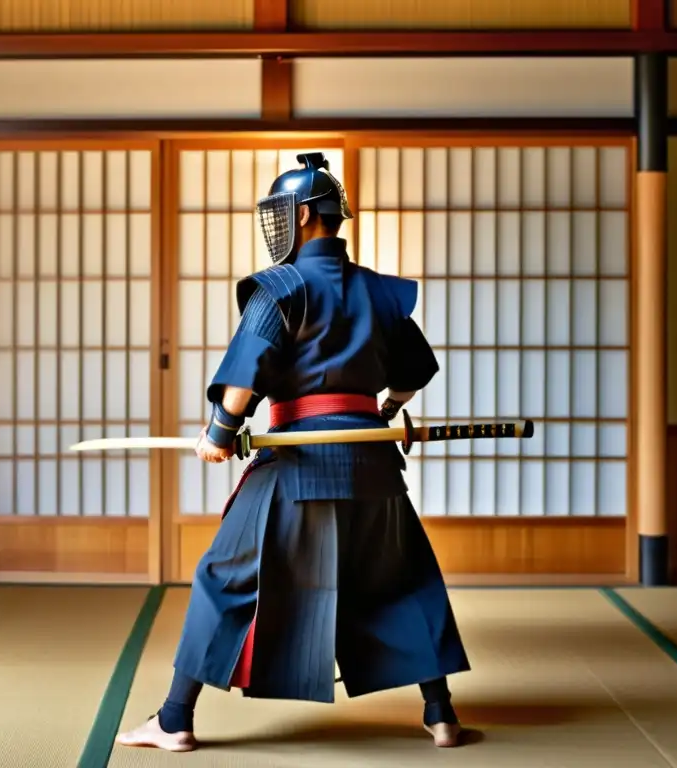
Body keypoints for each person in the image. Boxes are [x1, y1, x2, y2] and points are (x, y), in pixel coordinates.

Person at [116, 153, 470, 753]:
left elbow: (245, 376)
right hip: (375, 469)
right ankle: (441, 715)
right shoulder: (380, 293)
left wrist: (220, 433)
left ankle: (174, 719)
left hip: (298, 469)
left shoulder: (278, 288)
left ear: (302, 215)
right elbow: (414, 371)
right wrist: (382, 411)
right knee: (402, 579)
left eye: (279, 212)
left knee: (222, 577)